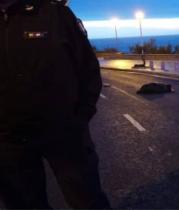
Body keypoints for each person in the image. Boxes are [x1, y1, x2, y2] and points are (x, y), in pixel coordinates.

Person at [0, 0, 110, 209]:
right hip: (8, 142)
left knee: (87, 200)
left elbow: (88, 69)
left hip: (64, 135)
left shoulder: (55, 15)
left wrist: (79, 119)